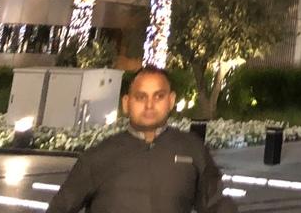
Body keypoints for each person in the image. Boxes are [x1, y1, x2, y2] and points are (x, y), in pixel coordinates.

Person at [46, 66, 236, 213]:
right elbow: (60, 208)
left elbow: (217, 205)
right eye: (140, 97)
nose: (149, 105)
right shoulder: (99, 156)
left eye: (158, 96)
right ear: (126, 103)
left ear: (171, 101)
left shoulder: (192, 149)